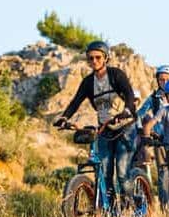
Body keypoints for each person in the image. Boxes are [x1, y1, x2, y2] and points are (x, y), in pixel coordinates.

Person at [54, 41, 137, 201]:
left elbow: (129, 93)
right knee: (105, 173)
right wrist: (64, 118)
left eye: (98, 57)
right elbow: (75, 102)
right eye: (90, 58)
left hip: (125, 127)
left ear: (106, 58)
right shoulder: (88, 82)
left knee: (121, 172)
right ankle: (110, 212)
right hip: (105, 129)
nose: (94, 61)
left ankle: (132, 205)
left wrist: (127, 110)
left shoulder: (116, 74)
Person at [134, 65, 169, 196]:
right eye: (161, 80)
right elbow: (139, 114)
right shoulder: (153, 98)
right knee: (163, 172)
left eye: (166, 80)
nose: (163, 82)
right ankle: (166, 205)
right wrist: (141, 129)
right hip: (160, 140)